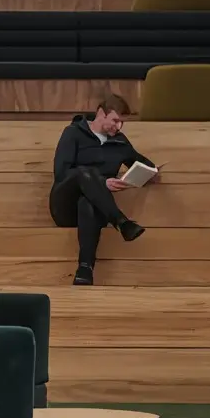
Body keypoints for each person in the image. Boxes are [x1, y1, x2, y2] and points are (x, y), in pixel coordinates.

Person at [49, 92, 151, 286]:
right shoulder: (73, 133)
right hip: (64, 204)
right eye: (115, 120)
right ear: (100, 113)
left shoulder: (120, 142)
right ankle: (121, 221)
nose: (118, 126)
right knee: (84, 173)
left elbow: (141, 163)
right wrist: (101, 183)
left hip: (95, 209)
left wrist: (151, 172)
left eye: (122, 123)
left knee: (87, 203)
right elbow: (61, 173)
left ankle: (85, 270)